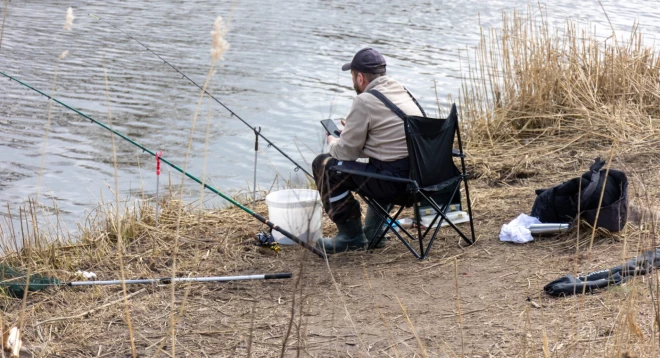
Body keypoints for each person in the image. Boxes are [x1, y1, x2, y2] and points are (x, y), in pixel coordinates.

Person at [313, 47, 426, 253]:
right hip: (424, 182)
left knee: (324, 164)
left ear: (360, 78)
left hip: (397, 186)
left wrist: (333, 140)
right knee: (380, 164)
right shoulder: (401, 90)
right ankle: (374, 232)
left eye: (353, 76)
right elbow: (390, 142)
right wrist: (353, 133)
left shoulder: (363, 100)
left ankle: (351, 237)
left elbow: (344, 153)